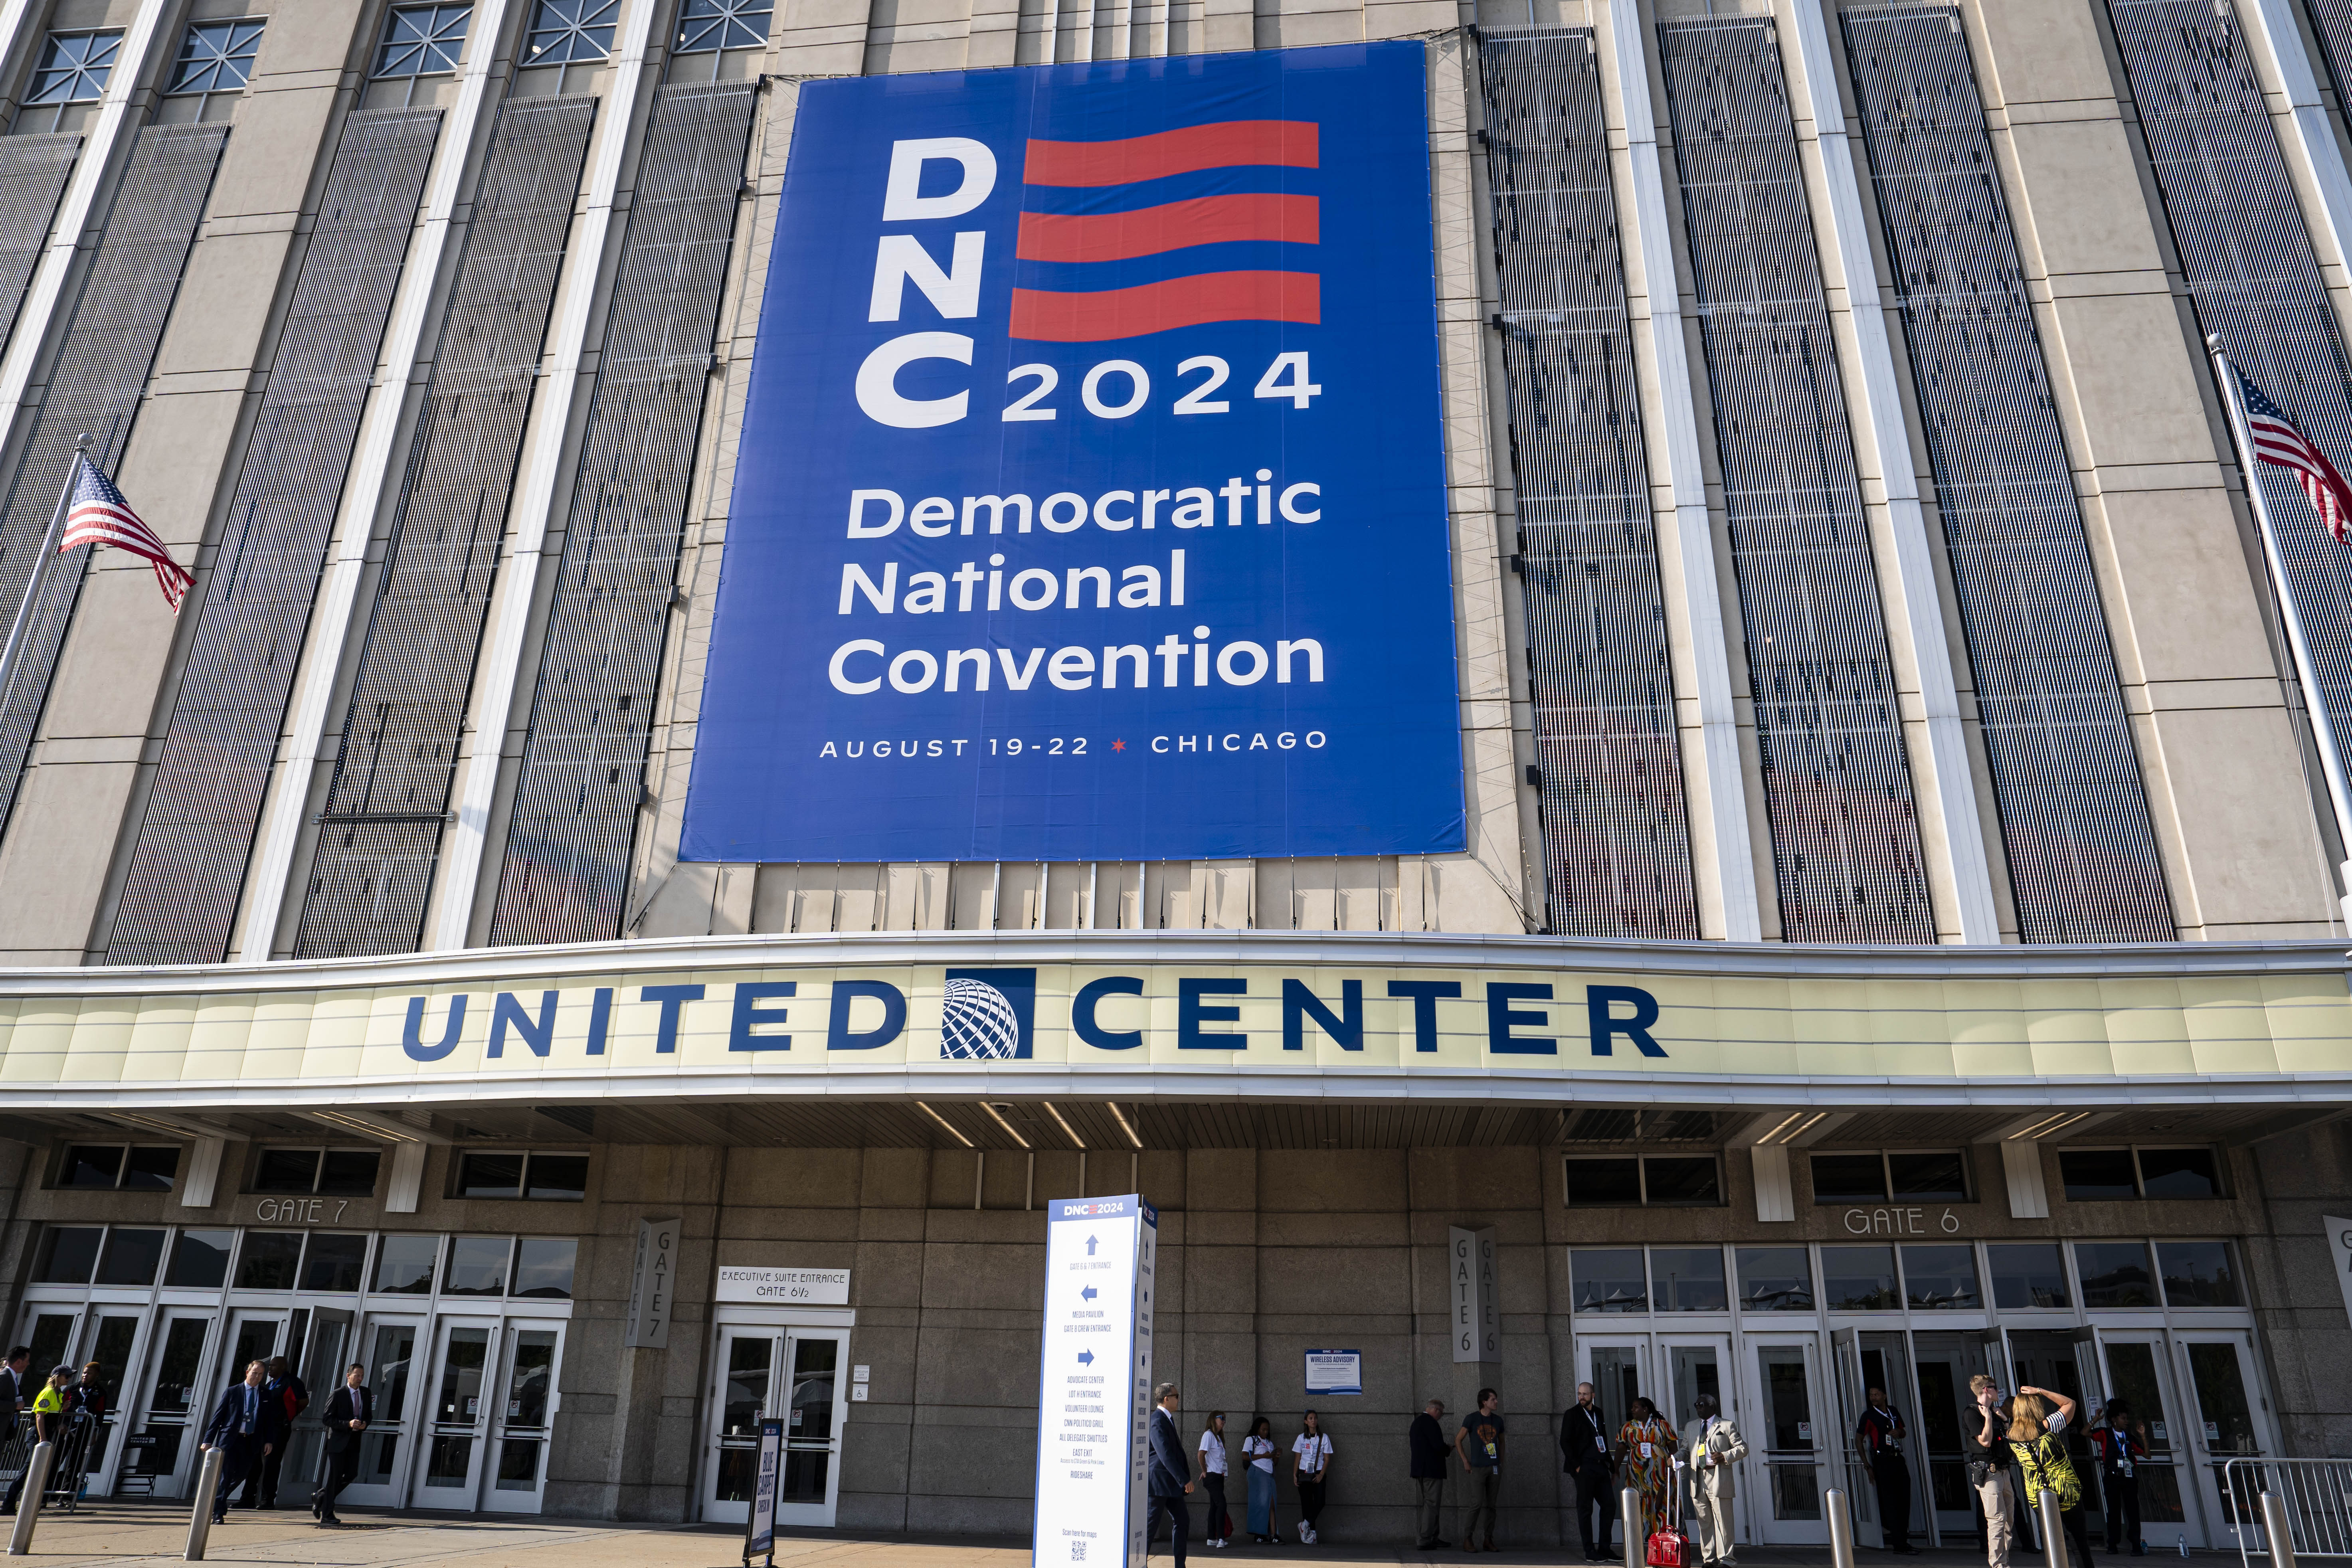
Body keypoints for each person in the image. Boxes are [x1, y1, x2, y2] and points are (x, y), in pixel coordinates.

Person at [2006, 1387, 2092, 1568]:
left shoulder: (2011, 1436)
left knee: (2053, 1541)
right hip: (2065, 1490)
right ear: (2035, 1407)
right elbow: (2070, 1403)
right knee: (2079, 1543)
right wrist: (2040, 1391)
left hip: (2037, 1495)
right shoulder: (2047, 1426)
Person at [200, 1360, 285, 1527]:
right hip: (231, 1439)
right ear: (247, 1372)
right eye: (254, 1373)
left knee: (241, 1475)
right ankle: (218, 1512)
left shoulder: (266, 1394)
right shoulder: (233, 1392)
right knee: (225, 1476)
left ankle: (216, 1497)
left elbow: (269, 1421)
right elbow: (218, 1417)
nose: (257, 1377)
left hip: (251, 1440)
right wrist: (208, 1440)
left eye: (261, 1375)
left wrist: (269, 1441)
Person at [1683, 1392, 1747, 1568]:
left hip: (1718, 1477)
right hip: (1698, 1479)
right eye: (1696, 1405)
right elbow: (1685, 1449)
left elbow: (1743, 1448)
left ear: (1712, 1407)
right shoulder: (1691, 1427)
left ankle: (1726, 1559)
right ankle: (1709, 1559)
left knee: (1723, 1521)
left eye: (1702, 1405)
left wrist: (1725, 1456)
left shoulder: (1726, 1425)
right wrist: (1676, 1458)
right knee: (1704, 1521)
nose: (1698, 1408)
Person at [239, 1355, 307, 1509]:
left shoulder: (292, 1382)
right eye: (270, 1366)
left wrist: (289, 1415)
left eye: (274, 1366)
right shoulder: (270, 1384)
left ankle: (267, 1499)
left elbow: (303, 1401)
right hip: (261, 1429)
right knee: (254, 1463)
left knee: (270, 1464)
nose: (270, 1369)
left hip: (278, 1428)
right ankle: (247, 1498)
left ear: (283, 1367)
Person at [1966, 1375, 2018, 1568]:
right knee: (1997, 1520)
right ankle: (1998, 1565)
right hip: (1989, 1473)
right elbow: (1985, 1442)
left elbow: (2008, 1441)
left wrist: (2004, 1421)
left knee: (2008, 1521)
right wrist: (1988, 1418)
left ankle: (2004, 1561)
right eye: (1995, 1388)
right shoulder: (1973, 1413)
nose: (1998, 1391)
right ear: (1986, 1390)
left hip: (2004, 1471)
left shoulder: (1996, 1413)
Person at [1857, 1386, 1915, 1554]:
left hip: (1897, 1458)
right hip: (1882, 1460)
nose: (1873, 1398)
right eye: (1871, 1395)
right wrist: (1867, 1465)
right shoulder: (1869, 1416)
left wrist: (1899, 1433)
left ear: (1885, 1396)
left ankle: (1904, 1540)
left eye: (1876, 1395)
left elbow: (1904, 1433)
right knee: (1891, 1502)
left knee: (1904, 1499)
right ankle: (1899, 1545)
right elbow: (1858, 1439)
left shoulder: (1893, 1411)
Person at [1561, 1382, 1615, 1562]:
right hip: (1584, 1467)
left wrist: (1611, 1466)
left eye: (1585, 1394)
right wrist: (1576, 1465)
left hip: (1600, 1466)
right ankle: (1590, 1550)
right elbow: (1565, 1441)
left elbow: (1603, 1437)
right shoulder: (1572, 1414)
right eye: (1579, 1394)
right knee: (1585, 1509)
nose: (1581, 1397)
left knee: (1609, 1505)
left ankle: (1605, 1548)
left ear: (1593, 1395)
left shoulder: (1598, 1412)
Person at [1616, 1395, 1678, 1546]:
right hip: (1637, 1477)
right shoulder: (1628, 1427)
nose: (1632, 1410)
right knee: (1639, 1504)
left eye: (1636, 1407)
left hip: (1660, 1475)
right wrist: (1615, 1469)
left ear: (1646, 1409)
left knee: (1661, 1506)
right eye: (1632, 1407)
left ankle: (1665, 1543)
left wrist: (1674, 1468)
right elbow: (1621, 1449)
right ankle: (1640, 1544)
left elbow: (1673, 1448)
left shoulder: (1662, 1425)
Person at [314, 1362, 371, 1527]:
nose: (360, 1378)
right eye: (357, 1375)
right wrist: (348, 1423)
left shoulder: (366, 1393)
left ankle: (322, 1496)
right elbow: (327, 1419)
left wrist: (365, 1424)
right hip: (338, 1442)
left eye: (362, 1376)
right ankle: (327, 1514)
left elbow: (368, 1415)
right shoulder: (338, 1394)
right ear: (349, 1376)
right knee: (335, 1476)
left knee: (352, 1474)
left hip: (354, 1440)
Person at [2089, 1400, 2148, 1556]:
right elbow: (2085, 1433)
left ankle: (2136, 1544)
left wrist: (2143, 1436)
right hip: (2112, 1476)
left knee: (2132, 1511)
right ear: (2114, 1419)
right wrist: (2096, 1420)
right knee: (2113, 1511)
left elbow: (2147, 1455)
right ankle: (2113, 1544)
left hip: (2128, 1477)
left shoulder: (2129, 1437)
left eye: (2127, 1418)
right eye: (2123, 1418)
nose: (2126, 1422)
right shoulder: (2105, 1433)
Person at [1148, 1383, 1193, 1568]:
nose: (1179, 1399)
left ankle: (1180, 1565)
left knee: (1182, 1520)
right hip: (1159, 1484)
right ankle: (1135, 1562)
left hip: (1170, 1484)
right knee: (1150, 1527)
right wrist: (1184, 1480)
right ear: (1167, 1399)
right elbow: (1165, 1454)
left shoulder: (1167, 1418)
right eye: (1177, 1396)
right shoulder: (1158, 1420)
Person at [1457, 1386, 1506, 1552]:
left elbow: (1502, 1442)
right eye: (1493, 1399)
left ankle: (1488, 1539)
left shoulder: (1498, 1421)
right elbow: (1458, 1440)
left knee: (1492, 1505)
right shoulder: (1472, 1419)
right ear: (1484, 1402)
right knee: (1476, 1503)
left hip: (1494, 1468)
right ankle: (1468, 1539)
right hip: (1477, 1468)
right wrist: (1465, 1461)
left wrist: (1501, 1462)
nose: (1496, 1402)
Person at [1410, 1398, 1451, 1551]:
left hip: (1420, 1470)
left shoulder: (1417, 1423)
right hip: (1432, 1470)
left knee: (1430, 1504)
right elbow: (1438, 1446)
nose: (1441, 1416)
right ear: (1436, 1411)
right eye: (1442, 1413)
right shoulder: (1431, 1423)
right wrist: (1448, 1449)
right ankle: (1425, 1539)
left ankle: (1433, 1537)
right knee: (1432, 1505)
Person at [1290, 1410, 1333, 1545]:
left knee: (1320, 1502)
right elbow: (1298, 1457)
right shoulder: (1301, 1438)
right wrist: (1295, 1474)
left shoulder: (1324, 1437)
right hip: (1304, 1474)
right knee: (1307, 1505)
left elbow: (1327, 1459)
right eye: (1310, 1418)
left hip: (1318, 1473)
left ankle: (1304, 1525)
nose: (1313, 1420)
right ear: (1306, 1421)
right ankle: (1311, 1535)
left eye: (1315, 1418)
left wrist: (1321, 1474)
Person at [0, 1347, 32, 1515]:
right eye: (27, 1361)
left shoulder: (12, 1378)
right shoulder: (4, 1377)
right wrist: (15, 1406)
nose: (28, 1364)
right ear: (19, 1361)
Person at [1243, 1415, 1280, 1544]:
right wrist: (1263, 1455)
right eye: (1263, 1429)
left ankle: (1273, 1534)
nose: (1265, 1432)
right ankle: (1259, 1534)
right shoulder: (1251, 1439)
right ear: (1257, 1429)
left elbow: (1274, 1462)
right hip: (1257, 1472)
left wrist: (1276, 1456)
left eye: (1267, 1430)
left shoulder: (1269, 1443)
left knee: (1272, 1503)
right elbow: (1245, 1456)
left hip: (1269, 1474)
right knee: (1261, 1503)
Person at [1197, 1409, 1231, 1550]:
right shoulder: (1209, 1435)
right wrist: (1205, 1471)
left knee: (1215, 1506)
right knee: (1222, 1504)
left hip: (1218, 1476)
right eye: (1221, 1418)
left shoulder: (1218, 1438)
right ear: (1213, 1419)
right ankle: (1221, 1538)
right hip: (1212, 1476)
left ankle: (1211, 1537)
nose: (1223, 1421)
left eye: (1225, 1419)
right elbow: (1201, 1454)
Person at [64, 1363, 106, 1477]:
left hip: (84, 1430)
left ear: (96, 1375)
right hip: (67, 1429)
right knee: (56, 1458)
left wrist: (95, 1433)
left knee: (75, 1462)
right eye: (84, 1373)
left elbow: (100, 1415)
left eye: (89, 1373)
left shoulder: (100, 1392)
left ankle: (67, 1492)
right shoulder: (72, 1389)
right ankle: (49, 1491)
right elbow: (60, 1407)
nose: (85, 1376)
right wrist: (61, 1424)